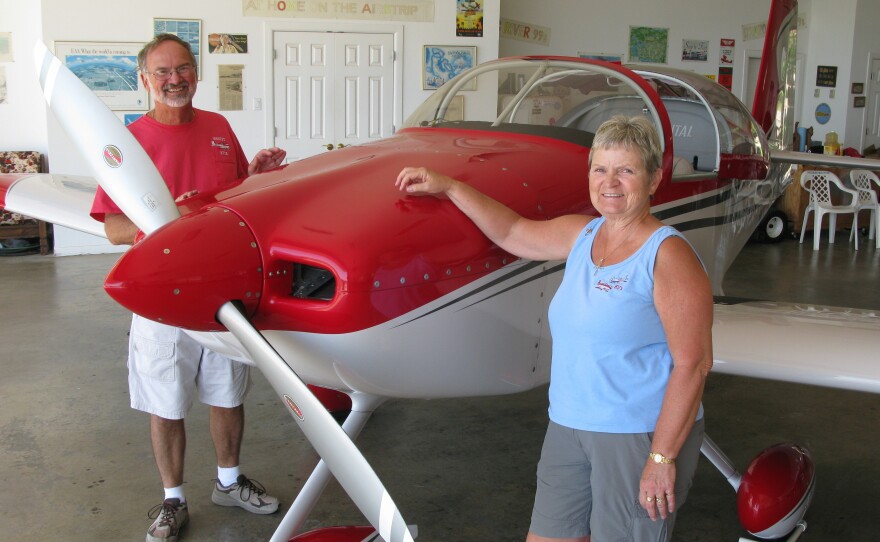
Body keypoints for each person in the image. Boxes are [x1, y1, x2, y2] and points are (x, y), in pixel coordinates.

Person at [396, 115, 712, 542]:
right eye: (600, 169)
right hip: (568, 424)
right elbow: (511, 231)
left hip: (634, 434)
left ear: (654, 179)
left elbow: (693, 364)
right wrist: (450, 186)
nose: (610, 181)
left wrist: (661, 457)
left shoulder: (668, 255)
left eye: (626, 170)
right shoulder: (583, 234)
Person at [90, 34, 286, 542]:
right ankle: (172, 500)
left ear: (195, 72)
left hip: (221, 292)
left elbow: (238, 191)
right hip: (162, 293)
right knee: (166, 399)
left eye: (183, 68)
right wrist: (158, 224)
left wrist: (258, 175)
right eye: (162, 72)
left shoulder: (220, 128)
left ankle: (228, 481)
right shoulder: (127, 143)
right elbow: (111, 226)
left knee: (227, 392)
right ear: (144, 79)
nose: (174, 79)